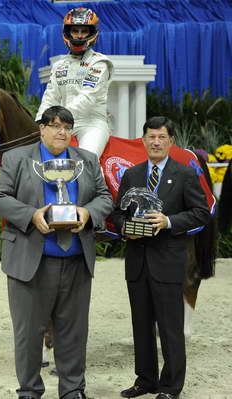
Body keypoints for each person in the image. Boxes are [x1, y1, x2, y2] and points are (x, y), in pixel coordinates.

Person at [0, 105, 113, 399]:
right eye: (55, 125)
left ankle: (72, 390)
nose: (62, 132)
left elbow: (105, 197)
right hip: (31, 262)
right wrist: (31, 215)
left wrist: (87, 212)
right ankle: (29, 390)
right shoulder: (18, 159)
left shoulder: (87, 160)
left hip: (75, 261)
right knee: (29, 334)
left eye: (67, 127)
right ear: (41, 129)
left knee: (74, 332)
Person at [112, 116, 211, 399]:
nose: (156, 142)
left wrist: (168, 221)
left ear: (170, 142)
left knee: (170, 329)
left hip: (168, 261)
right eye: (151, 137)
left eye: (161, 137)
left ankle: (170, 386)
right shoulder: (131, 175)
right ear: (143, 141)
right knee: (141, 326)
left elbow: (201, 213)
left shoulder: (185, 174)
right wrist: (124, 228)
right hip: (137, 262)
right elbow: (118, 213)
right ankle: (145, 381)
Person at [35, 7, 113, 157]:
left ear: (93, 34)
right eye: (75, 31)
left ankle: (97, 178)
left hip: (91, 124)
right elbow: (50, 97)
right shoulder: (59, 65)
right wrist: (40, 122)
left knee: (87, 160)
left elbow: (88, 97)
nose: (79, 36)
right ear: (67, 33)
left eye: (84, 31)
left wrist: (59, 118)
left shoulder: (99, 62)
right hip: (59, 124)